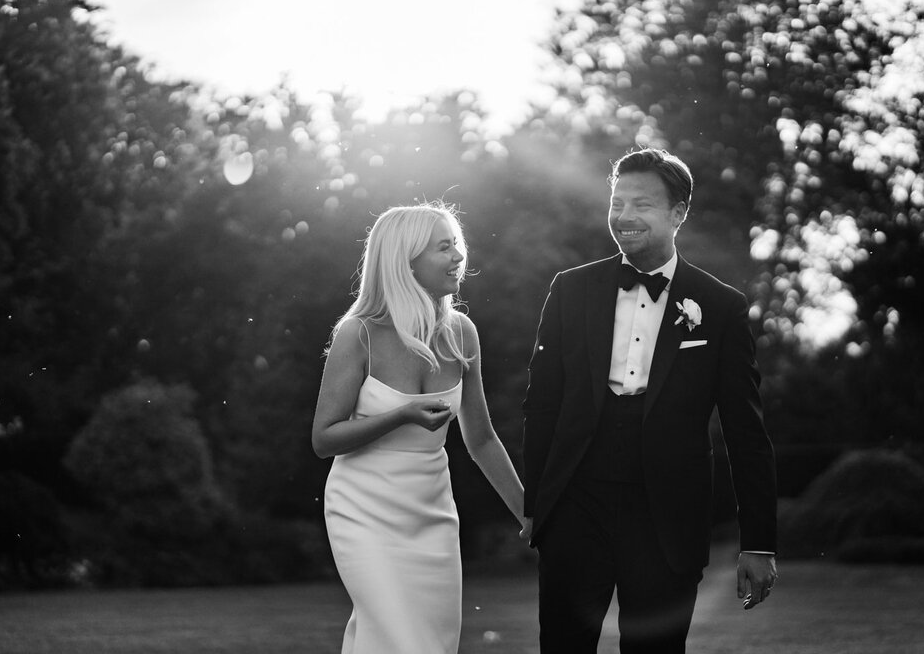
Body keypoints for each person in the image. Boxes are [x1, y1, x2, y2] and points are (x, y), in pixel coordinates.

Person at [521, 148, 778, 653]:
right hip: (576, 504)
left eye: (642, 205)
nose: (624, 217)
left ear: (679, 213)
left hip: (668, 515)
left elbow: (746, 430)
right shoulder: (570, 290)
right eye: (617, 203)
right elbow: (542, 403)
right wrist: (538, 508)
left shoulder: (721, 307)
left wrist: (759, 541)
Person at [312, 203, 528, 654]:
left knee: (426, 643)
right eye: (444, 247)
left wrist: (527, 512)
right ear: (405, 260)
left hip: (432, 512)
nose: (458, 257)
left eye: (457, 245)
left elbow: (482, 438)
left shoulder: (461, 333)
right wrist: (399, 415)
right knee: (399, 638)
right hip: (363, 509)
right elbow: (323, 438)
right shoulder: (359, 334)